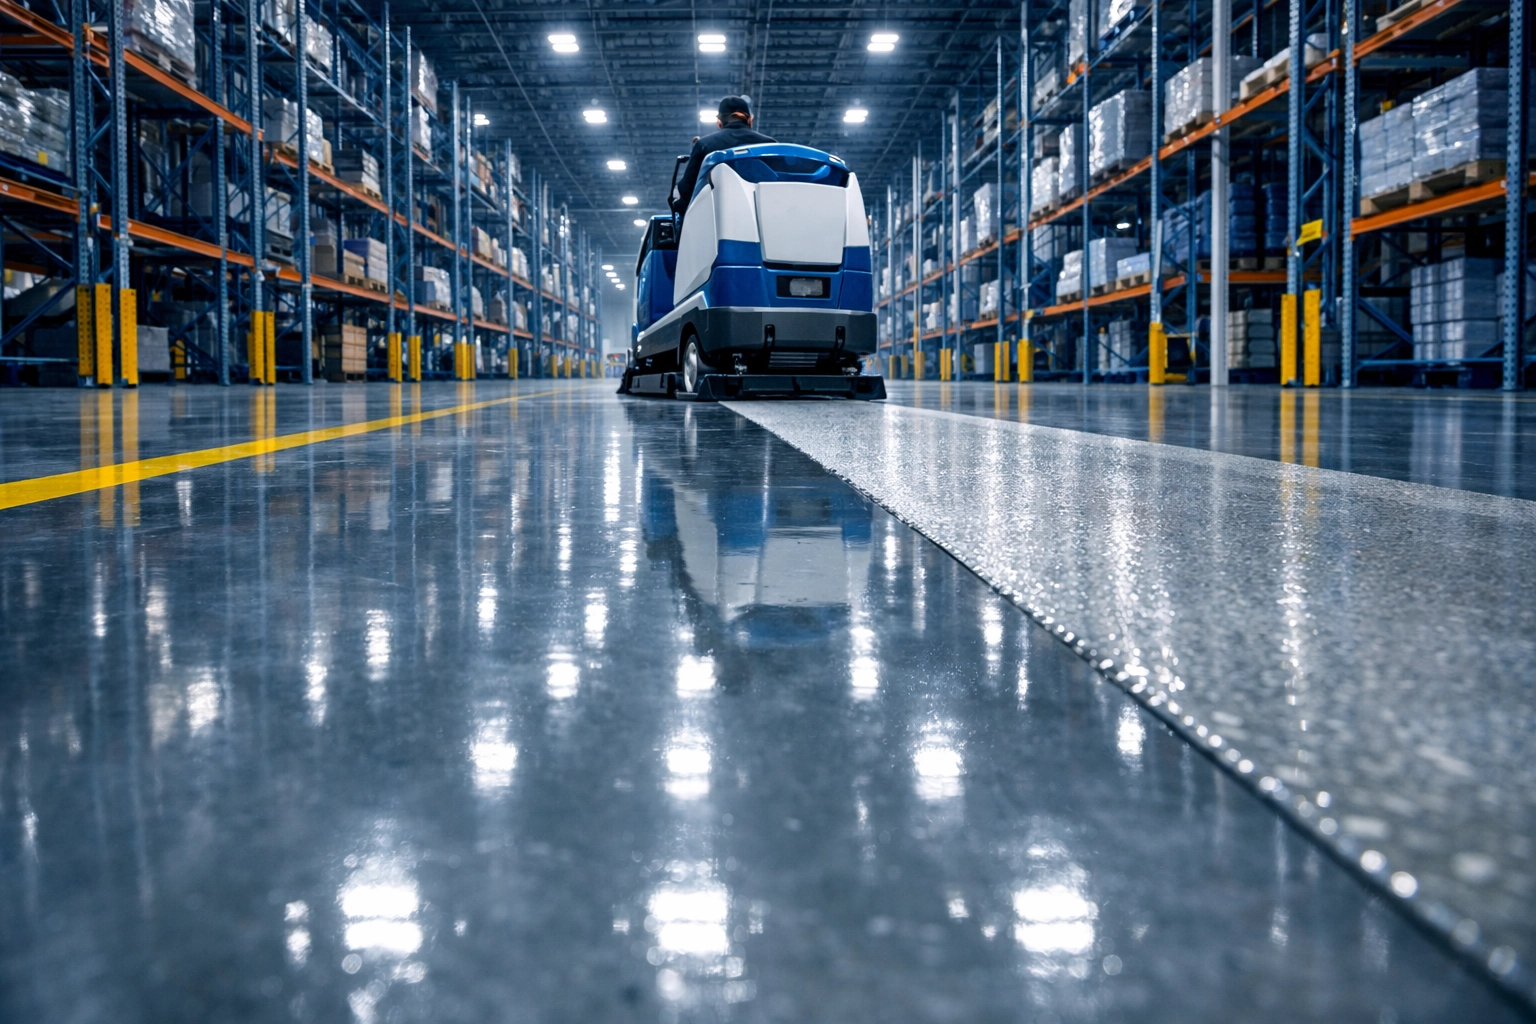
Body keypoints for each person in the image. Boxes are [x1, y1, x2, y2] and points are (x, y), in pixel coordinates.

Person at [672, 95, 776, 217]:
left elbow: (686, 189)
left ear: (719, 121)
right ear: (750, 120)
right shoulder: (771, 145)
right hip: (763, 214)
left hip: (717, 216)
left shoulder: (705, 145)